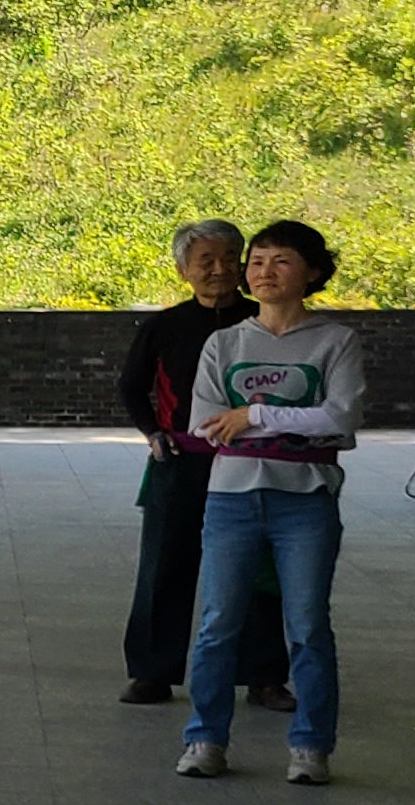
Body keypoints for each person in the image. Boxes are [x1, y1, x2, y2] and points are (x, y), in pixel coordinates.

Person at [179, 219, 363, 785]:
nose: (264, 272)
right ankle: (205, 738)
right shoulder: (225, 343)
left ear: (311, 272)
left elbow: (341, 418)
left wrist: (254, 415)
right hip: (231, 497)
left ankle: (311, 746)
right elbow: (207, 424)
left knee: (307, 626)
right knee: (217, 624)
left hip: (305, 500)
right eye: (256, 261)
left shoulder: (335, 341)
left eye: (280, 261)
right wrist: (296, 424)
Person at [117, 220, 289, 707]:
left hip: (254, 460)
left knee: (259, 568)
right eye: (205, 261)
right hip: (181, 461)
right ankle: (152, 672)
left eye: (229, 259)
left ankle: (264, 676)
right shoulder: (163, 326)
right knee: (165, 566)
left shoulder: (265, 321)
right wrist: (153, 434)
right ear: (183, 270)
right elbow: (131, 386)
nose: (219, 269)